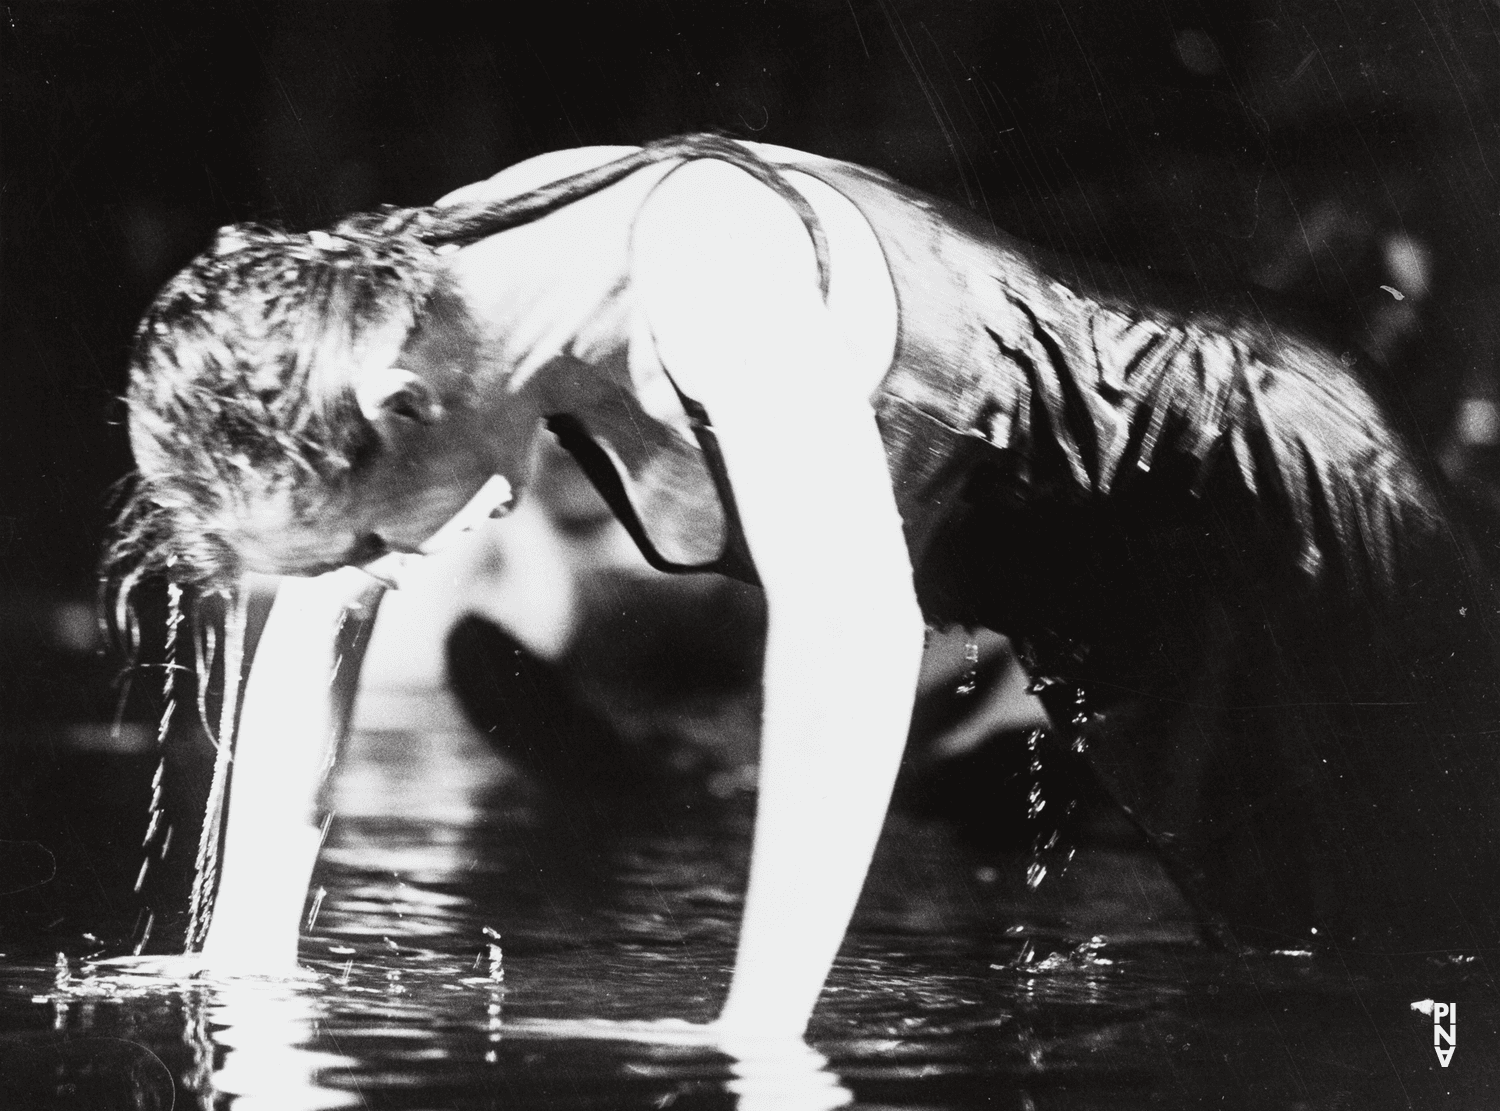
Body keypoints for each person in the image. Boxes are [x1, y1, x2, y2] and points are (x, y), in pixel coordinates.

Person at [112, 133, 1500, 1039]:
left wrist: (757, 1030)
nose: (364, 579)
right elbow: (314, 617)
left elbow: (849, 626)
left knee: (1440, 958)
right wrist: (241, 978)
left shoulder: (707, 267)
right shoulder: (399, 306)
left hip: (1267, 495)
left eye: (360, 539)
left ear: (408, 407)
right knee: (1315, 978)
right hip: (1114, 611)